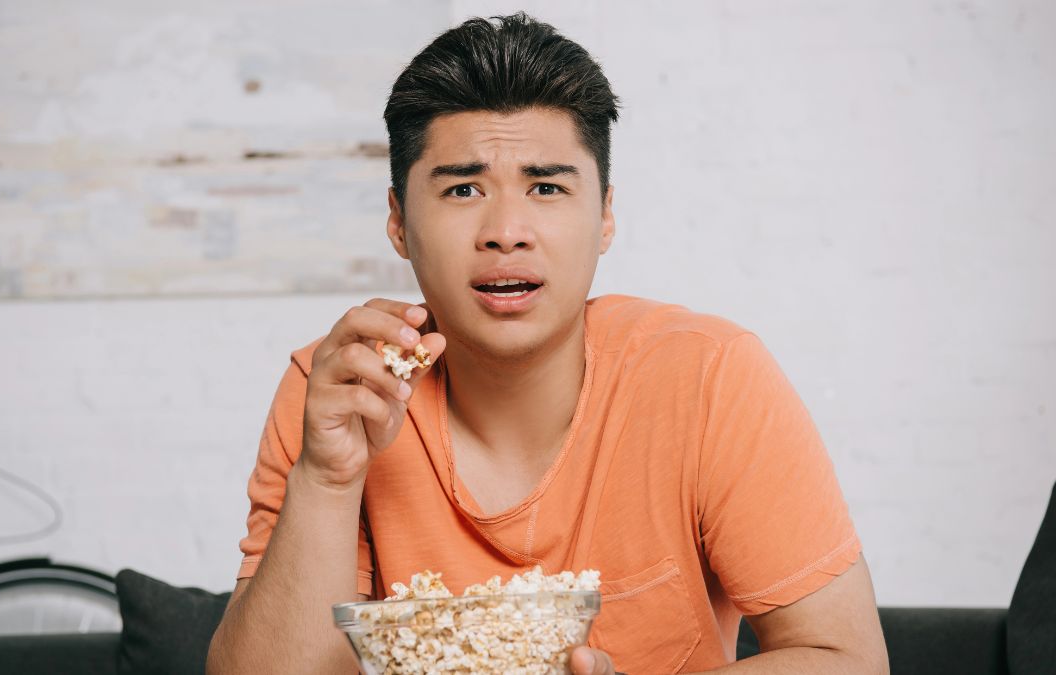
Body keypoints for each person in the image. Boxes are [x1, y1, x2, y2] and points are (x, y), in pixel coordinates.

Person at [207, 12, 888, 675]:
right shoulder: (342, 386)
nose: (507, 230)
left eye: (547, 186)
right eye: (464, 187)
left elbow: (848, 658)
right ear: (397, 221)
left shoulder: (707, 377)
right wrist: (326, 480)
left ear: (606, 215)